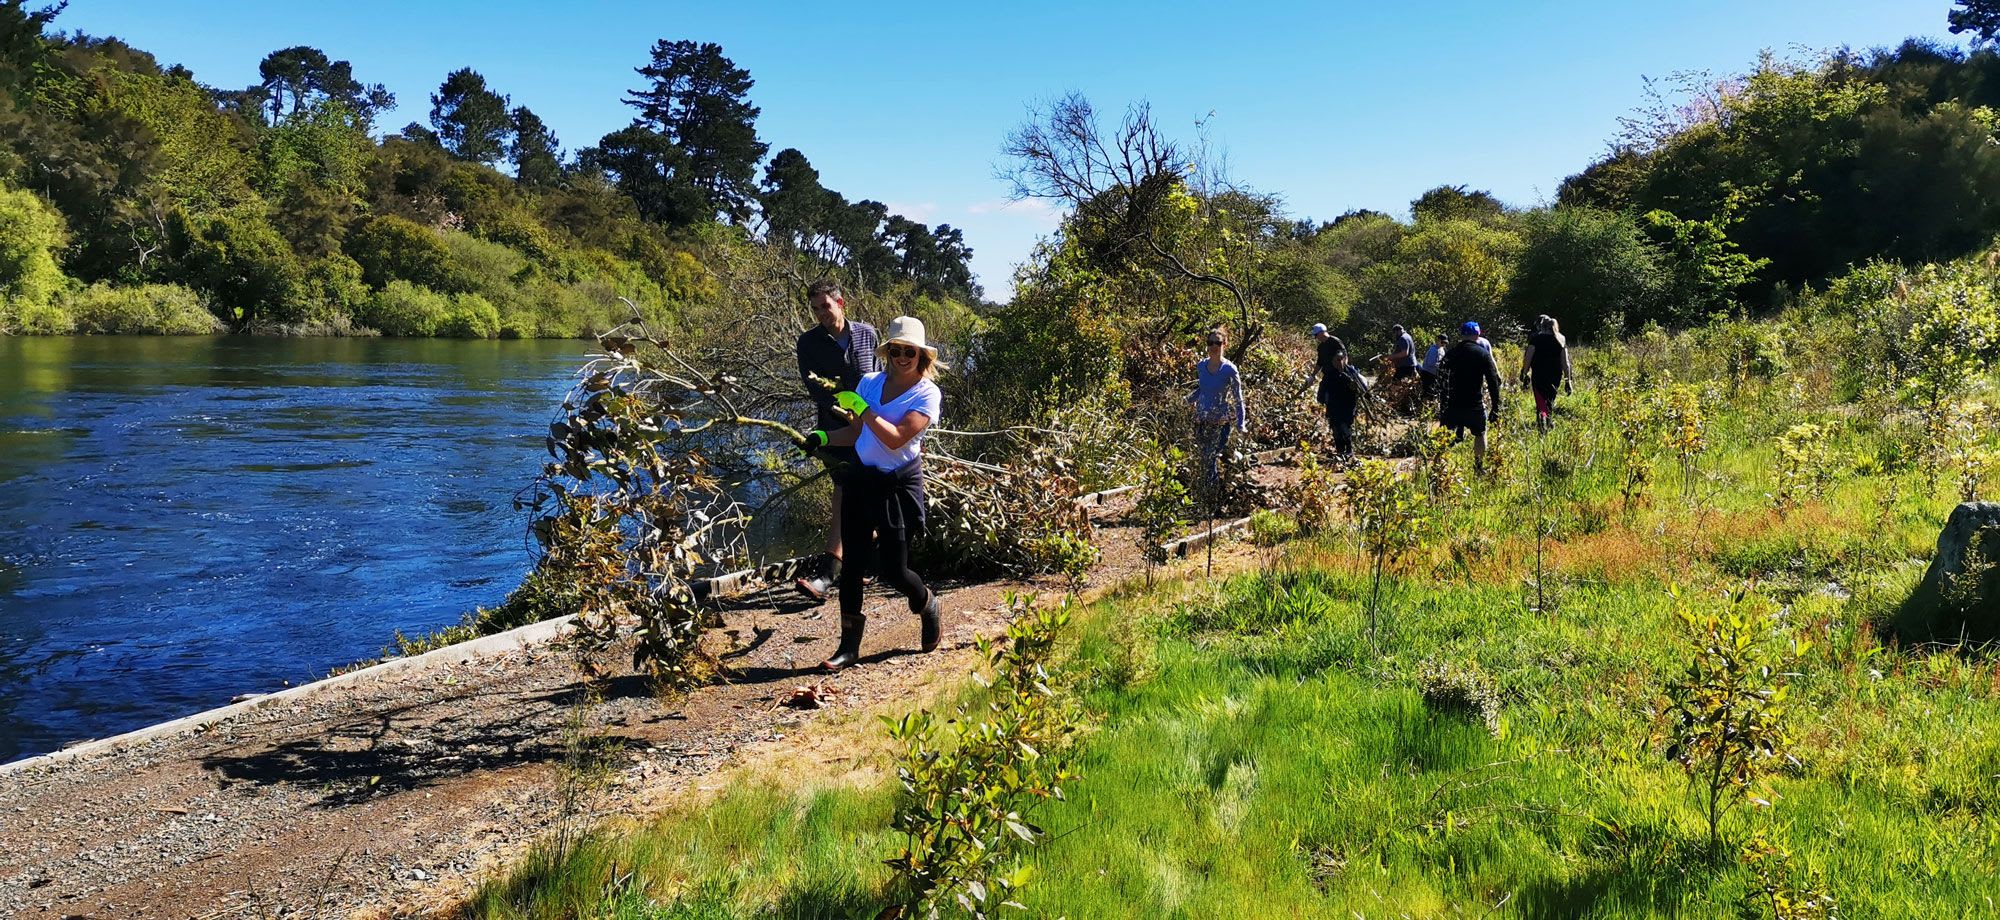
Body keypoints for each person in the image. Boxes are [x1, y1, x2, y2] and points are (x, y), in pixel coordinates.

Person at [794, 316, 943, 671]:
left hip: (896, 486)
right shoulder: (870, 382)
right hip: (860, 479)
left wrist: (864, 410)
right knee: (853, 564)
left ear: (921, 355)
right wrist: (824, 438)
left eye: (910, 351)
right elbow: (859, 435)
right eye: (896, 350)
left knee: (894, 570)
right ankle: (848, 647)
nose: (902, 356)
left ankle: (927, 604)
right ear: (887, 351)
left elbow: (895, 437)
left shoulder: (927, 393)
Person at [792, 279, 879, 602]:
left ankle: (857, 563)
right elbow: (816, 390)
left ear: (841, 303)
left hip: (871, 430)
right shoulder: (808, 343)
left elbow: (877, 378)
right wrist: (844, 411)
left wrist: (875, 416)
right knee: (844, 492)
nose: (820, 314)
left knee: (866, 492)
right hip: (835, 433)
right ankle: (828, 575)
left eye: (825, 306)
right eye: (815, 309)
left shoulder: (867, 334)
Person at [1437, 320, 1504, 474]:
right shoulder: (1482, 354)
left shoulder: (1451, 353)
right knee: (1480, 434)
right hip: (1474, 403)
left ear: (1462, 335)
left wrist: (1443, 400)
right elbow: (1493, 382)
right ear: (1478, 335)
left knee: (1443, 437)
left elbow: (1440, 378)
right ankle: (1478, 467)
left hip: (1452, 404)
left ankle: (1439, 469)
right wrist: (1496, 406)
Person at [1187, 328, 1247, 488]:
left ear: (1225, 344)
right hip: (1202, 419)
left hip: (1220, 422)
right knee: (1204, 456)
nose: (1214, 346)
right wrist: (1186, 400)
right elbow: (1202, 389)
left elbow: (1237, 397)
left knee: (1210, 455)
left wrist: (1241, 423)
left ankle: (1212, 489)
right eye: (1210, 342)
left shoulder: (1229, 369)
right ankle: (1210, 488)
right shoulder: (1201, 366)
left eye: (1218, 343)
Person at [1520, 314, 1574, 432]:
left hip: (1539, 374)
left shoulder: (1535, 339)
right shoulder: (1561, 339)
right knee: (1550, 399)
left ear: (1542, 327)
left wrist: (1524, 373)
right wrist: (1568, 380)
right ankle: (1548, 421)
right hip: (1555, 375)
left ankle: (1542, 424)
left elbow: (1528, 358)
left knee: (1540, 399)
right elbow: (1565, 362)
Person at [1321, 347, 1370, 461]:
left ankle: (1349, 451)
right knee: (1336, 430)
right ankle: (1340, 452)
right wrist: (1323, 400)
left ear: (1345, 359)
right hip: (1333, 407)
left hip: (1348, 406)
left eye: (1341, 359)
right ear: (1332, 361)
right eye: (1336, 360)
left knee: (1346, 428)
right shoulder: (1329, 375)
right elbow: (1322, 392)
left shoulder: (1352, 373)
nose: (1339, 362)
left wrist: (1366, 393)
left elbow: (1362, 387)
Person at [1294, 322, 1347, 401]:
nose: (1316, 338)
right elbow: (1320, 362)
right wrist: (1312, 376)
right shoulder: (1321, 347)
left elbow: (1344, 355)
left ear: (1322, 332)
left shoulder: (1335, 341)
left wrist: (1342, 370)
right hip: (1327, 375)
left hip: (1338, 373)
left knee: (1337, 397)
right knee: (1321, 398)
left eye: (1316, 335)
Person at [1419, 332, 1448, 398]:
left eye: (1445, 343)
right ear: (1438, 340)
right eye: (1443, 342)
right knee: (1426, 393)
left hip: (1433, 374)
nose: (1444, 344)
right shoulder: (1433, 349)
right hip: (1427, 373)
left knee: (1431, 393)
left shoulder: (1442, 350)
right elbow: (1430, 362)